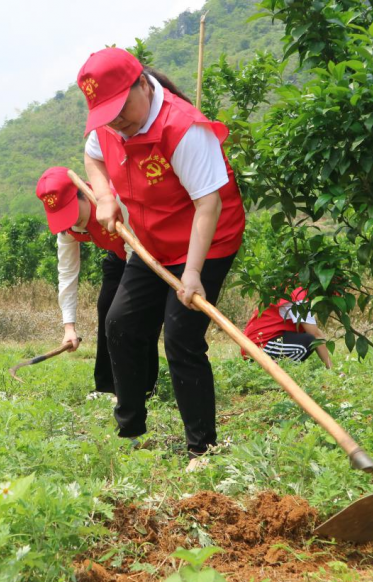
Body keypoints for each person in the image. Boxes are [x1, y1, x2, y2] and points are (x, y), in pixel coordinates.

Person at [78, 48, 246, 470]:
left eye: (122, 108)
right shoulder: (108, 128)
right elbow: (92, 156)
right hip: (152, 242)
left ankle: (202, 450)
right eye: (107, 113)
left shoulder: (183, 127)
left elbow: (208, 205)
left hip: (205, 241)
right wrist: (104, 196)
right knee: (119, 323)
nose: (117, 121)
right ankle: (130, 429)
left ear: (140, 83)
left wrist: (192, 274)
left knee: (181, 336)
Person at [36, 166, 158, 396]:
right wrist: (69, 327)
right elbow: (67, 274)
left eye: (74, 212)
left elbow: (136, 250)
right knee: (106, 309)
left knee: (133, 316)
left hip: (146, 252)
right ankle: (106, 387)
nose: (74, 223)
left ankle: (144, 387)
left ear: (83, 192)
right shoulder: (67, 230)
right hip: (119, 254)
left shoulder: (116, 201)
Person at [242, 287, 332, 368]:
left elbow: (316, 331)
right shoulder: (296, 295)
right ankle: (279, 371)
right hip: (259, 348)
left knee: (307, 336)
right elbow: (315, 335)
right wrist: (331, 369)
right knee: (308, 341)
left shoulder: (287, 288)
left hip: (261, 342)